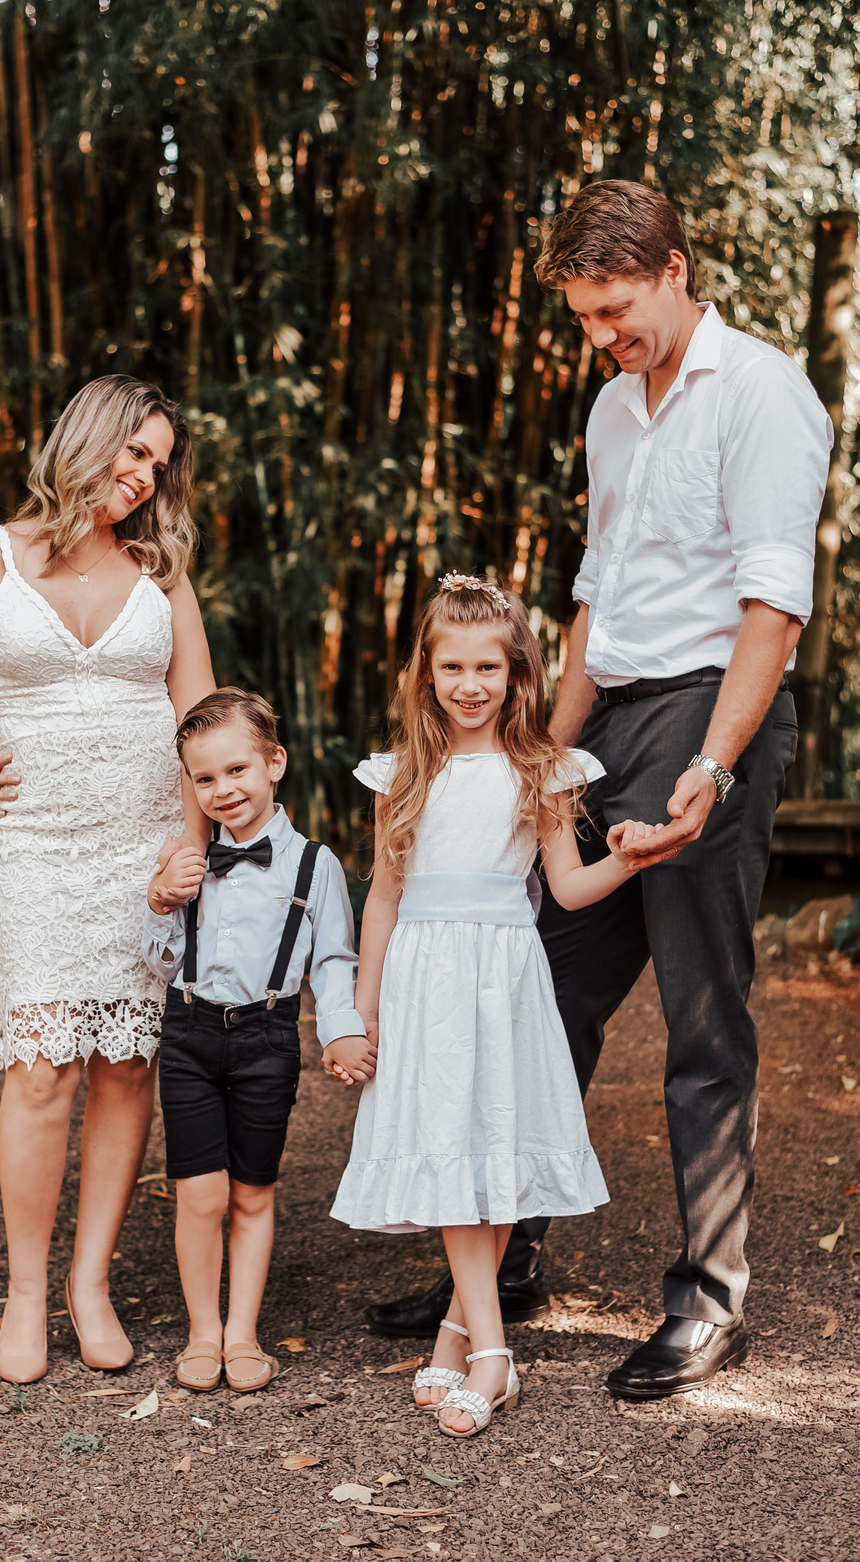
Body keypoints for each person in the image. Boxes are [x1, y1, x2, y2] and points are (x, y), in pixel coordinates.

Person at [367, 179, 831, 1401]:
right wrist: (531, 753)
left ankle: (709, 1299)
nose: (601, 335)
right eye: (582, 316)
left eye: (615, 309)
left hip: (708, 709)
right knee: (540, 980)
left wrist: (712, 765)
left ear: (675, 269)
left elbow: (773, 605)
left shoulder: (765, 394)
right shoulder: (613, 410)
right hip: (606, 719)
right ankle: (496, 1265)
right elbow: (594, 604)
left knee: (701, 1012)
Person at [0, 375, 214, 1384]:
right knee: (41, 1068)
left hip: (144, 851)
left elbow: (200, 718)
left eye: (159, 463)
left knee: (125, 1064)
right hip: (35, 850)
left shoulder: (161, 573)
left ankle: (89, 1284)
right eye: (135, 450)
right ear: (89, 437)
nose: (145, 475)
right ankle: (26, 1295)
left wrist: (190, 844)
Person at [329, 575, 662, 1438]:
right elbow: (383, 898)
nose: (470, 684)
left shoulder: (541, 771)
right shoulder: (402, 773)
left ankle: (480, 1349)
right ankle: (481, 1343)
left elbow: (569, 888)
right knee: (449, 1143)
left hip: (503, 977)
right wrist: (361, 1008)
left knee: (494, 1145)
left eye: (489, 667)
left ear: (518, 675)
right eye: (453, 667)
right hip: (423, 980)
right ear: (426, 672)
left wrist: (631, 858)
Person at [142, 688, 359, 1395]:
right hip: (190, 1035)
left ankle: (243, 1333)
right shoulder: (184, 859)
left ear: (274, 763)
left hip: (268, 1037)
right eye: (205, 778)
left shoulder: (315, 866)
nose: (223, 789)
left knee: (252, 1193)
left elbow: (334, 959)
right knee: (199, 1195)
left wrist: (342, 1030)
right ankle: (203, 1331)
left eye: (237, 769)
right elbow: (158, 962)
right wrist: (161, 900)